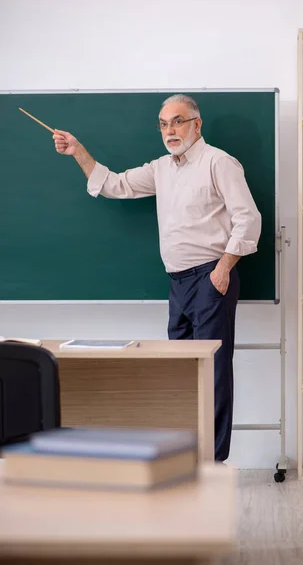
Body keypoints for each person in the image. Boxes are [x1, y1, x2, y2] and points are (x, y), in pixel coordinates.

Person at [53, 94, 261, 462]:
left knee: (212, 371)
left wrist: (223, 269)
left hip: (210, 278)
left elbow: (248, 219)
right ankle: (184, 457)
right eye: (163, 124)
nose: (170, 130)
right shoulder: (161, 168)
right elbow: (116, 184)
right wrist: (78, 152)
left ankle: (211, 462)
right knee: (179, 372)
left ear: (197, 124)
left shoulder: (219, 163)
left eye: (177, 121)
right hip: (178, 283)